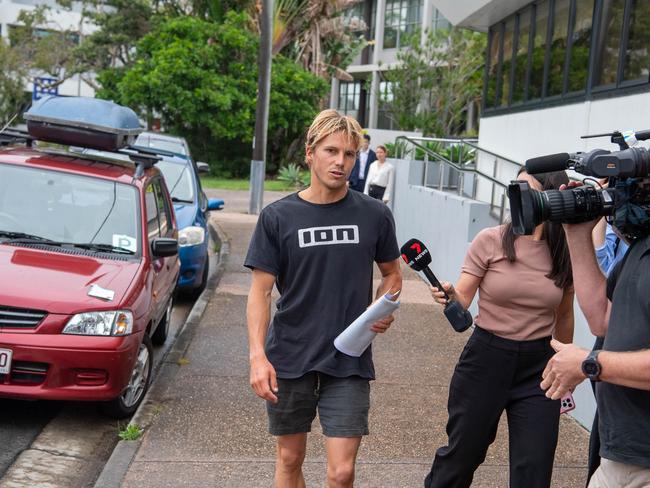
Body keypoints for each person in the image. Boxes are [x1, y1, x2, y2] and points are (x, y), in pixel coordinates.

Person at [245, 109, 402, 488]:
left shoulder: (375, 215)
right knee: (289, 459)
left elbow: (393, 274)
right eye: (331, 151)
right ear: (310, 153)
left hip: (347, 358)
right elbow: (260, 292)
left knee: (342, 472)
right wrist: (257, 356)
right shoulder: (277, 217)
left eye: (349, 154)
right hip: (290, 355)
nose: (341, 162)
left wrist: (382, 308)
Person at [424, 168, 575, 488]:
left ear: (548, 197)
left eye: (525, 188)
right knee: (462, 457)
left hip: (539, 367)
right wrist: (451, 295)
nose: (516, 195)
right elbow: (464, 295)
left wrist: (565, 370)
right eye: (514, 187)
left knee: (534, 467)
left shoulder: (565, 251)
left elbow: (563, 315)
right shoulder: (490, 240)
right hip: (486, 357)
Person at [541, 183, 650, 487]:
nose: (617, 198)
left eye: (633, 187)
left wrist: (589, 364)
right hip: (619, 453)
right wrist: (575, 232)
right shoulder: (641, 249)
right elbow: (601, 319)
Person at [586, 217, 630, 484]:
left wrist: (585, 362)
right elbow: (602, 262)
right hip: (611, 334)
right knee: (604, 423)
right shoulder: (622, 225)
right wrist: (603, 213)